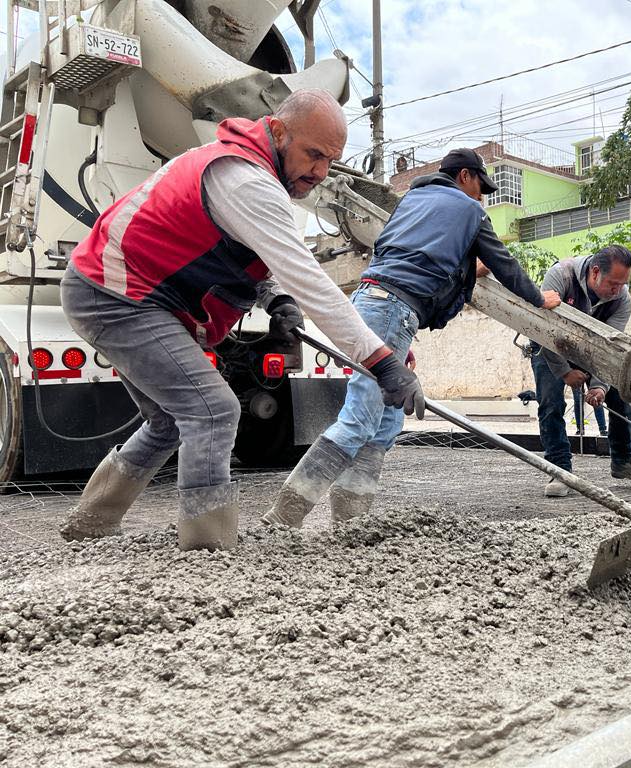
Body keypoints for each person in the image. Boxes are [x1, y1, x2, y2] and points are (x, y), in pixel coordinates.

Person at [58, 89, 422, 550]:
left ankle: (91, 524)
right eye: (313, 154)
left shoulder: (245, 169)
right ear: (276, 131)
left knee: (170, 420)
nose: (320, 172)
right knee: (212, 411)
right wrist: (383, 362)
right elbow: (313, 281)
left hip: (130, 292)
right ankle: (209, 554)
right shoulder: (244, 179)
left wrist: (276, 301)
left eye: (330, 160)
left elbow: (242, 254)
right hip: (115, 295)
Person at [263, 148, 561, 527]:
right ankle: (284, 515)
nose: (481, 196)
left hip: (375, 303)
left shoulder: (412, 202)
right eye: (479, 187)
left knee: (386, 423)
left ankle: (351, 521)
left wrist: (396, 345)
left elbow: (396, 256)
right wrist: (538, 298)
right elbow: (505, 265)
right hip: (391, 310)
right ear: (466, 177)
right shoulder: (470, 212)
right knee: (360, 418)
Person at [531, 245, 631, 497]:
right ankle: (560, 470)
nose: (618, 290)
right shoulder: (561, 276)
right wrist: (565, 372)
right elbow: (543, 328)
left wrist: (600, 385)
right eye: (613, 283)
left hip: (593, 348)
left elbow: (608, 348)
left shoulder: (621, 299)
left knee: (621, 395)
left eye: (623, 284)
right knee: (550, 403)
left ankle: (623, 460)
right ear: (595, 272)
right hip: (549, 344)